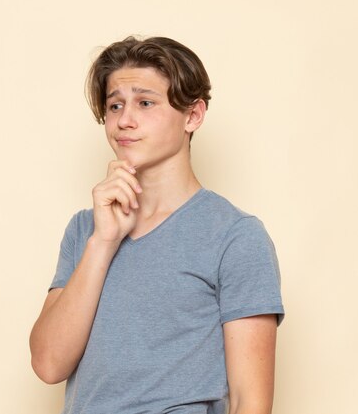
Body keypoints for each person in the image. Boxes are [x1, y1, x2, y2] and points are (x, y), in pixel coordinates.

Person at [29, 36, 285, 414]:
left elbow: (251, 401)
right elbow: (49, 364)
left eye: (145, 103)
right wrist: (104, 241)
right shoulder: (86, 229)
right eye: (115, 105)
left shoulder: (235, 237)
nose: (124, 120)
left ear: (193, 116)